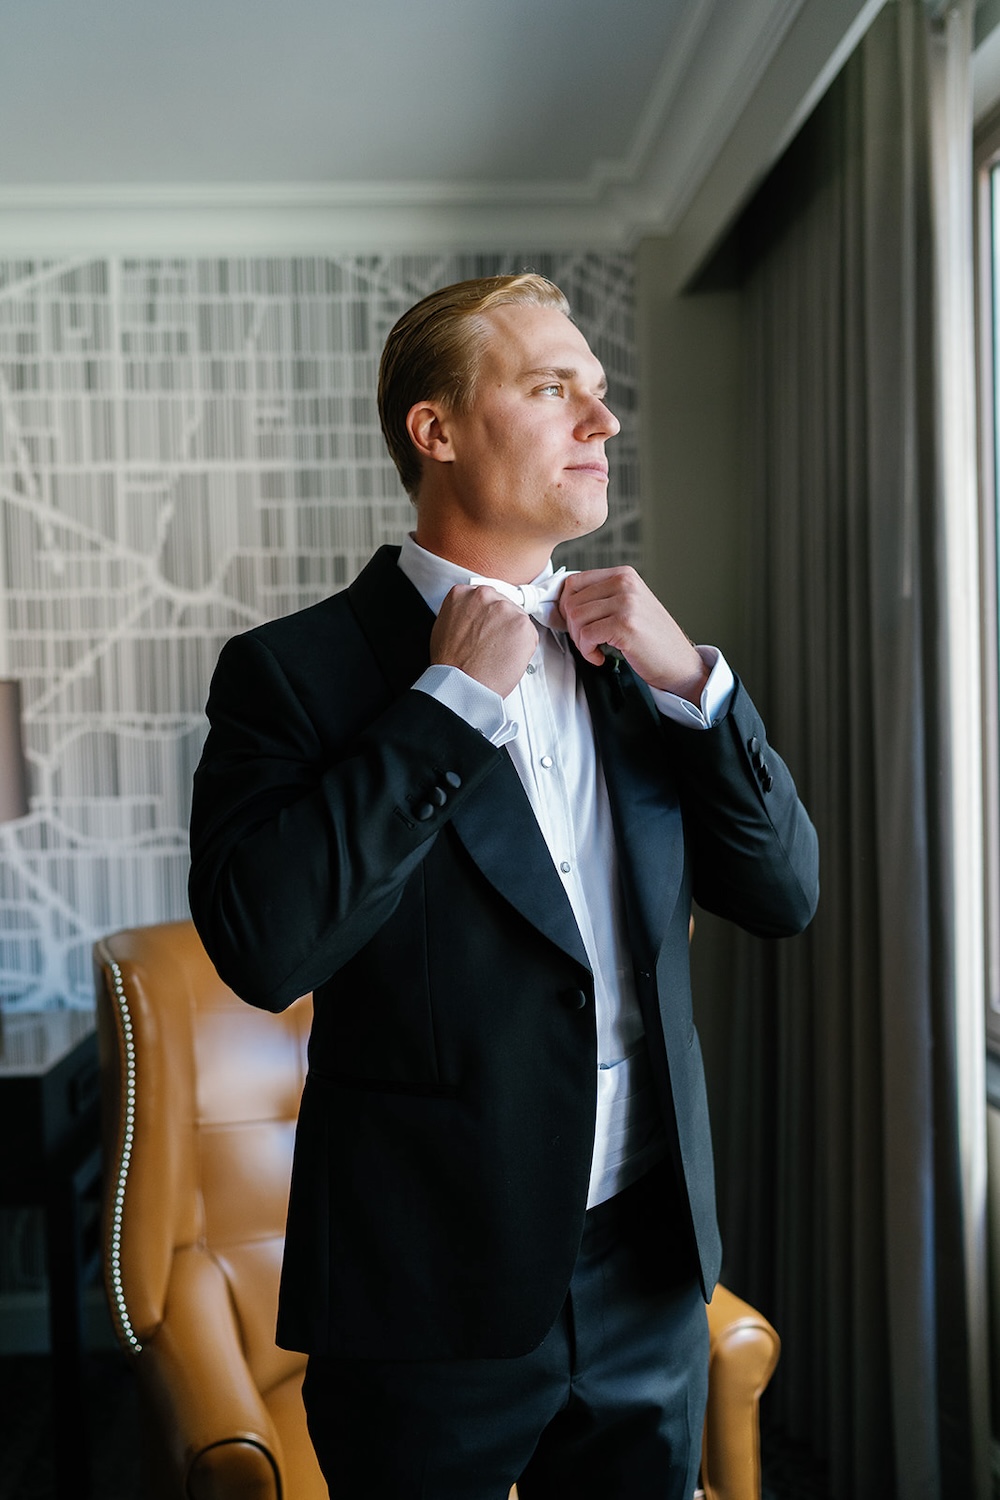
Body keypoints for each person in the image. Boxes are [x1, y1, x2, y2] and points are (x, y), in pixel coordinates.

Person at [188, 273, 819, 1499]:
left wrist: (693, 677)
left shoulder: (636, 659)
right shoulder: (291, 673)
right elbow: (266, 948)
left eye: (598, 393)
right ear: (436, 430)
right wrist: (449, 707)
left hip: (646, 1265)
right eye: (552, 389)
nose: (603, 421)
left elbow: (784, 891)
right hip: (424, 1302)